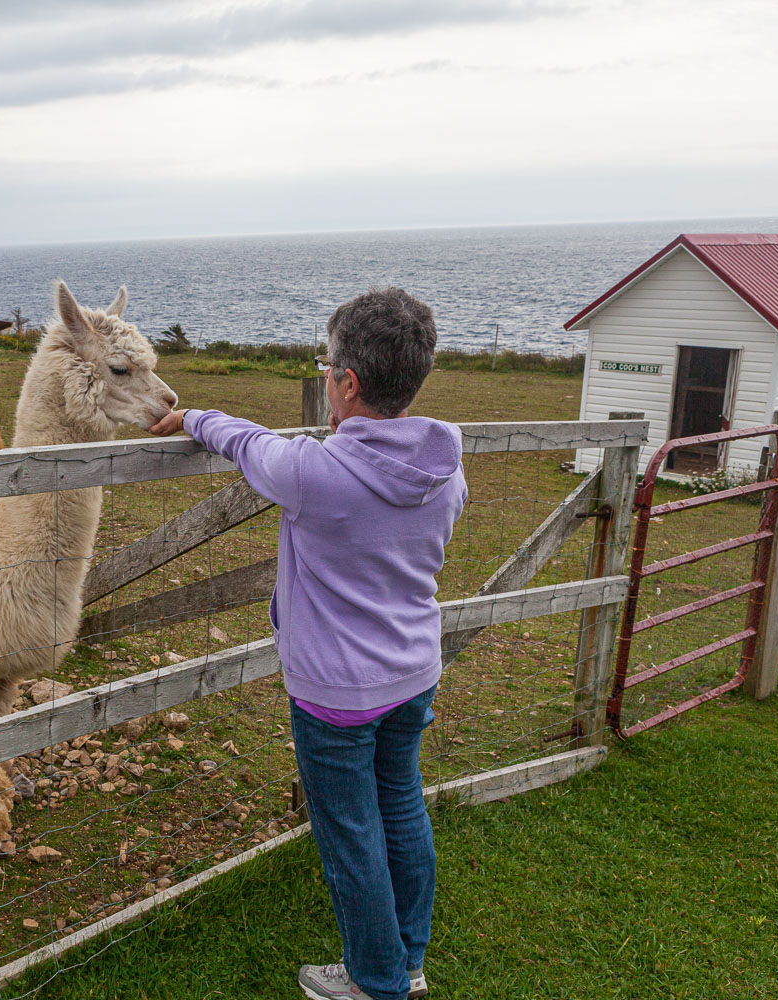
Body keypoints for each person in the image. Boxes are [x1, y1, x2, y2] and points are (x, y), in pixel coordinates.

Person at [148, 287, 466, 1000]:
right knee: (402, 807)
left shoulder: (314, 473)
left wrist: (193, 414)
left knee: (352, 835)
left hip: (336, 698)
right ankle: (406, 964)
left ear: (347, 382)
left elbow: (245, 441)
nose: (325, 377)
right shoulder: (448, 468)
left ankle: (377, 983)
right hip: (413, 672)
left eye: (327, 367)